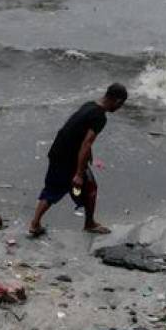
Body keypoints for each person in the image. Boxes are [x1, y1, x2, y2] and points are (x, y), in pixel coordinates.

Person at [29, 83, 127, 237]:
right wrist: (79, 174)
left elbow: (78, 132)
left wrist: (88, 154)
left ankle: (36, 223)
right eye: (121, 105)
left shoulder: (90, 105)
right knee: (84, 188)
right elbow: (86, 143)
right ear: (117, 101)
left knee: (55, 188)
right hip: (67, 157)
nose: (119, 108)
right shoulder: (100, 117)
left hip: (58, 150)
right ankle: (87, 224)